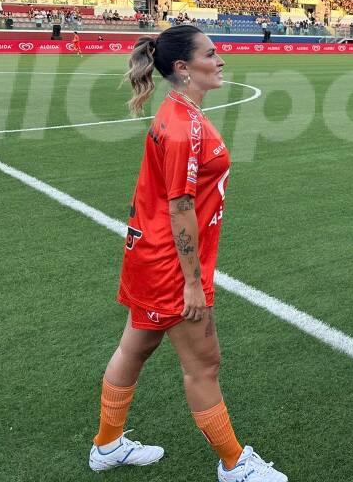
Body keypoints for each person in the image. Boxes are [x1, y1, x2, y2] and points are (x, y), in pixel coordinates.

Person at [88, 26, 286, 481]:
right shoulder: (184, 127)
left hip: (148, 254)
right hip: (169, 266)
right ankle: (236, 465)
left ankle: (107, 445)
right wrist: (193, 283)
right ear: (183, 68)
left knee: (136, 344)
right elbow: (180, 208)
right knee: (204, 365)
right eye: (211, 55)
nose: (221, 62)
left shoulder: (177, 113)